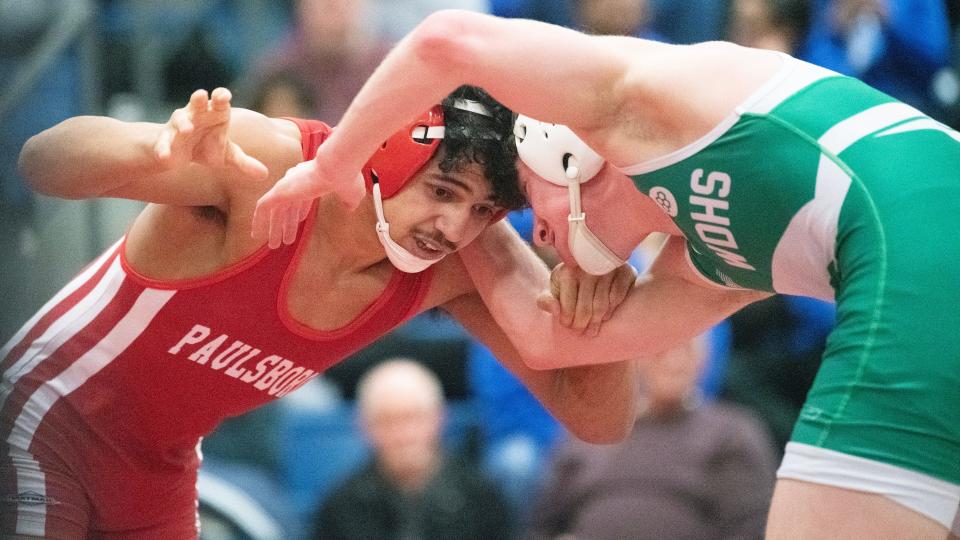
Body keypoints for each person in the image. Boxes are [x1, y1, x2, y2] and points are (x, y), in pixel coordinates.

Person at [252, 10, 960, 537]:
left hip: (924, 230)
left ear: (562, 150)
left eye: (522, 203)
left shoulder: (637, 97)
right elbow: (547, 343)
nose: (541, 236)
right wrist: (446, 228)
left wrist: (335, 164)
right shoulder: (707, 264)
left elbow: (446, 43)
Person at [1, 84, 640, 538]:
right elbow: (42, 159)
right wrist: (153, 157)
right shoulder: (271, 163)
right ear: (384, 155)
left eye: (482, 211)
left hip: (158, 469)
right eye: (442, 192)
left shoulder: (462, 261)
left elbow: (596, 416)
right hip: (44, 413)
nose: (452, 226)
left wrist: (604, 301)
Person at [529, 336, 777, 540]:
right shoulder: (588, 433)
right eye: (662, 351)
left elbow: (751, 527)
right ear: (636, 359)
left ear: (704, 360)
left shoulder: (731, 432)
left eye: (686, 350)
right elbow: (543, 526)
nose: (674, 362)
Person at [310, 358, 512, 539]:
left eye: (413, 418)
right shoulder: (341, 506)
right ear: (364, 427)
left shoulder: (482, 497)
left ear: (439, 418)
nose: (404, 435)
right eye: (388, 421)